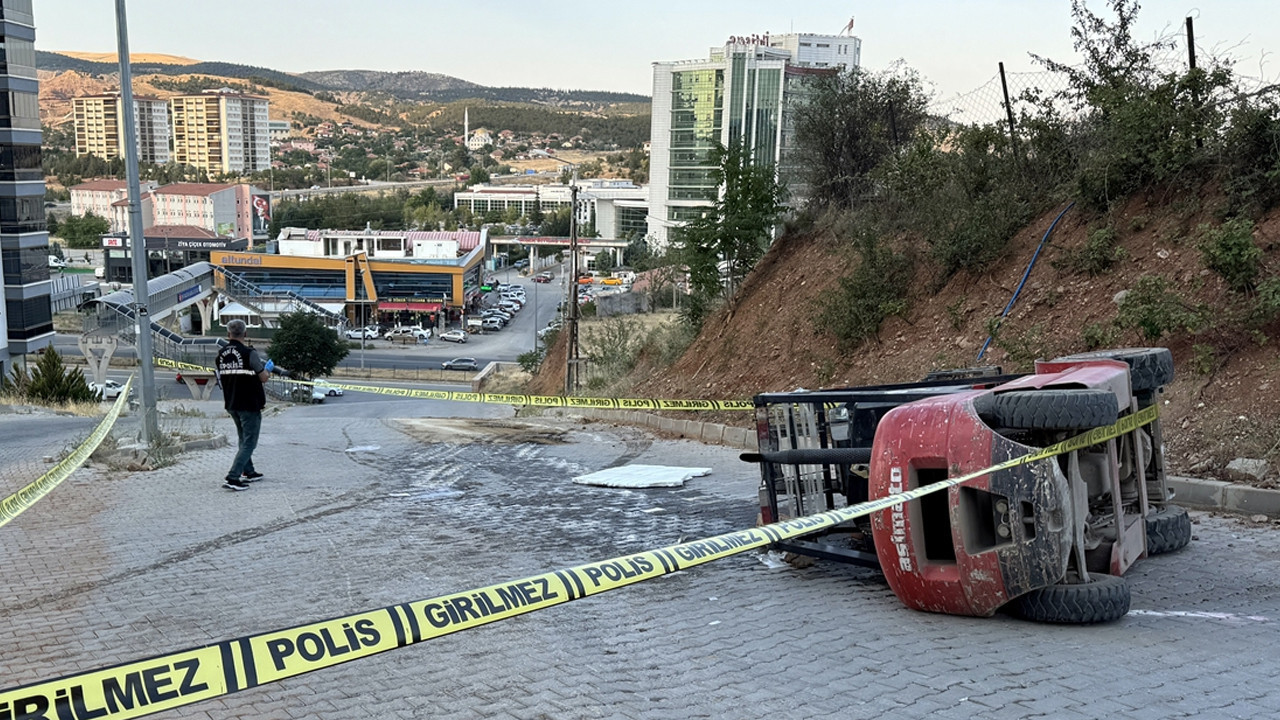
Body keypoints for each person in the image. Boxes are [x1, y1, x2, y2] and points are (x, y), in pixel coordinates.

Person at [216, 319, 270, 491]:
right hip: (249, 403)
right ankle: (233, 477)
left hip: (232, 402)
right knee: (249, 442)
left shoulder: (221, 354)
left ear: (228, 334)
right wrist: (267, 369)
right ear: (245, 334)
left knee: (243, 438)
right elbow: (263, 378)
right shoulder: (249, 353)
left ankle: (249, 471)